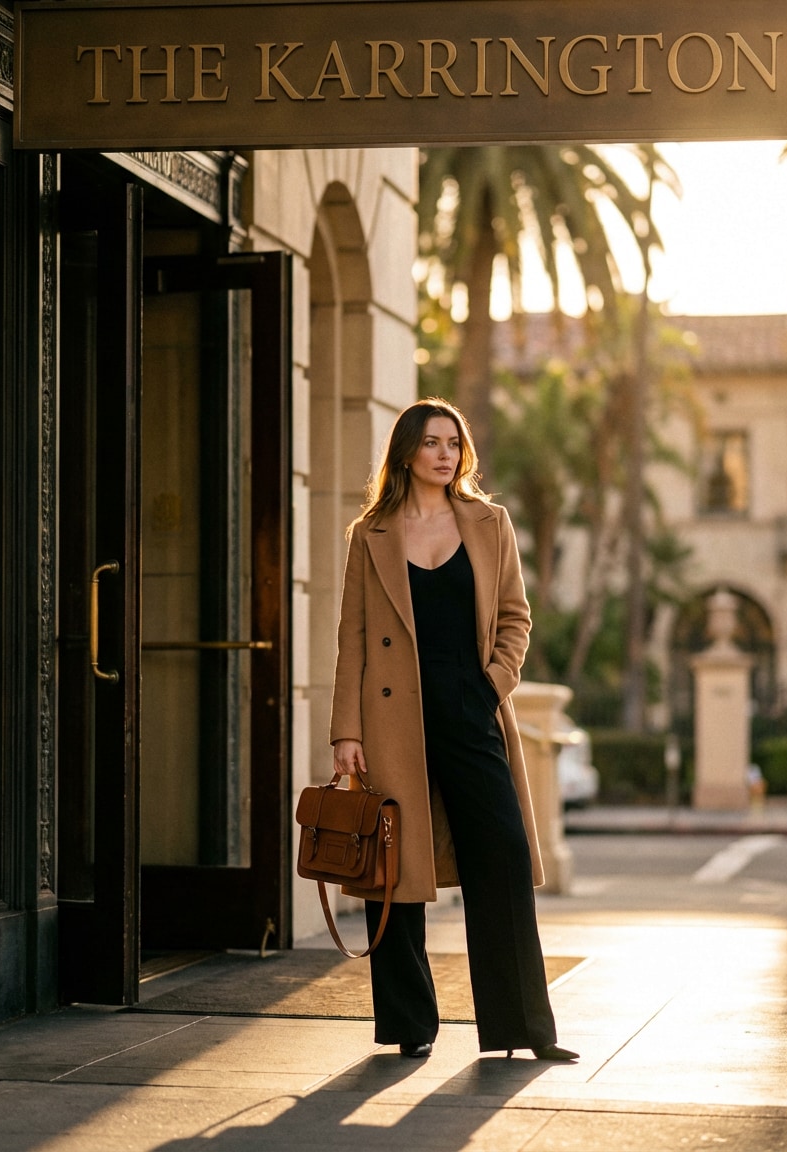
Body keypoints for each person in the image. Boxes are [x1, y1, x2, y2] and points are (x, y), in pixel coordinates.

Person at [330, 397, 578, 1062]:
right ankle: (410, 1026)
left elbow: (515, 619)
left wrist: (493, 682)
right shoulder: (372, 534)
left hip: (470, 710)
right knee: (397, 870)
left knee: (499, 854)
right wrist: (345, 733)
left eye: (454, 443)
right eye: (433, 442)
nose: (446, 454)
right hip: (391, 720)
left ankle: (521, 1027)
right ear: (406, 451)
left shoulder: (489, 523)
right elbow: (351, 639)